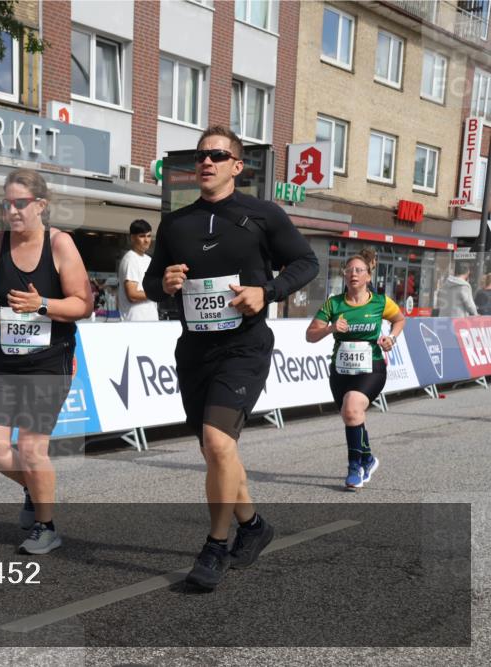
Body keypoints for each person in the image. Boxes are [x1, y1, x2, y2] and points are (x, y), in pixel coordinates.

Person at [141, 125, 319, 590]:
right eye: (201, 155)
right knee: (216, 451)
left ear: (237, 167)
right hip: (195, 349)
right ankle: (255, 525)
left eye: (218, 155)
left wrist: (269, 291)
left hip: (244, 348)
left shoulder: (262, 214)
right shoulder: (177, 224)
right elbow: (152, 285)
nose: (207, 162)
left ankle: (216, 546)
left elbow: (306, 262)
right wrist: (168, 285)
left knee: (219, 445)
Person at [0, 168, 93, 555]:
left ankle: (46, 526)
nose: (12, 211)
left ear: (40, 205)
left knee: (30, 447)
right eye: (6, 203)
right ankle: (34, 486)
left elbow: (83, 304)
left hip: (48, 359)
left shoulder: (60, 244)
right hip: (4, 359)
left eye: (20, 203)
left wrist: (40, 304)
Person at [305, 249, 405, 491]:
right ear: (344, 275)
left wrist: (391, 337)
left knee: (351, 407)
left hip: (372, 367)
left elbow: (400, 319)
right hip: (341, 370)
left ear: (368, 276)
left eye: (359, 270)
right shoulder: (334, 303)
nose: (353, 274)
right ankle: (368, 458)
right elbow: (310, 335)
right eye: (349, 270)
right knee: (352, 416)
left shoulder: (381, 302)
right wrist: (330, 328)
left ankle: (354, 468)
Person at [117, 219, 160, 321]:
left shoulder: (148, 259)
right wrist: (158, 292)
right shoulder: (130, 259)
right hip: (135, 323)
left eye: (149, 236)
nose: (146, 240)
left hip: (150, 322)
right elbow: (132, 295)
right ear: (132, 238)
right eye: (142, 236)